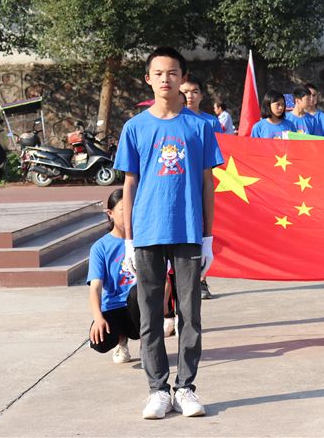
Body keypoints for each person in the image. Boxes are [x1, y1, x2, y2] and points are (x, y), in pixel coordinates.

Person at [114, 46, 224, 420]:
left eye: (172, 72)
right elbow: (129, 184)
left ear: (183, 78)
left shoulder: (200, 126)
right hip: (146, 232)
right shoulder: (135, 127)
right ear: (148, 79)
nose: (166, 78)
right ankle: (158, 389)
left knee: (190, 315)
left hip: (188, 230)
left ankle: (187, 387)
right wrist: (128, 237)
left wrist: (208, 236)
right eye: (158, 73)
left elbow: (209, 184)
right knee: (150, 316)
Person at [181, 76, 222, 301]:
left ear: (202, 96)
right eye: (186, 91)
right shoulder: (177, 119)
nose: (190, 96)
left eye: (195, 91)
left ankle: (202, 279)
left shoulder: (210, 122)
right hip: (186, 184)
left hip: (209, 183)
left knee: (206, 232)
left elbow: (225, 150)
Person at [87, 189, 140, 364]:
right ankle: (120, 341)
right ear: (110, 214)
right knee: (99, 341)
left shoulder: (143, 240)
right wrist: (98, 318)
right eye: (123, 209)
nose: (129, 214)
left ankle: (148, 344)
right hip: (114, 307)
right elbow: (95, 287)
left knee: (137, 292)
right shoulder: (100, 247)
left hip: (140, 306)